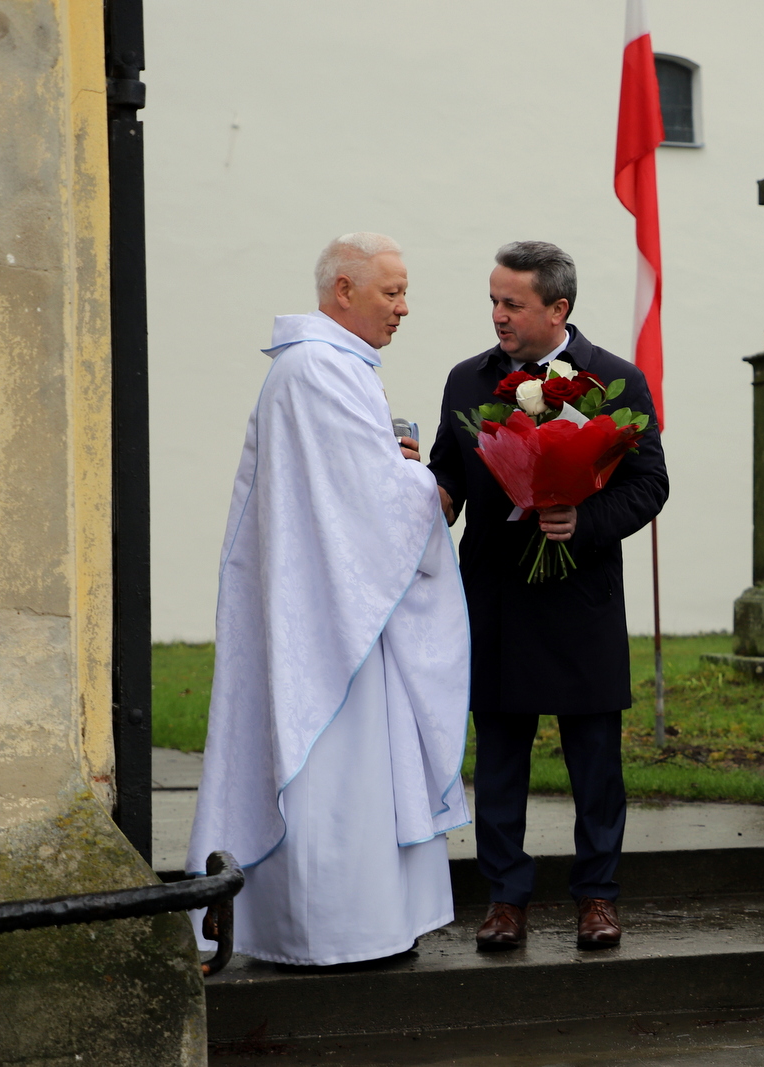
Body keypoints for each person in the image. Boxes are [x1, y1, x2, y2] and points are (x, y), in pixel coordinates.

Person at [185, 232, 470, 967]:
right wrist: (426, 487)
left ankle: (360, 924)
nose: (404, 307)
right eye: (391, 292)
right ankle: (332, 932)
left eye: (405, 292)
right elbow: (374, 502)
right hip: (326, 619)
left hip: (339, 604)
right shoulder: (319, 370)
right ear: (343, 290)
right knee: (334, 773)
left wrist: (397, 468)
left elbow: (356, 483)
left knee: (353, 776)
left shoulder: (329, 368)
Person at [427, 241, 668, 950]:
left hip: (579, 596)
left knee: (595, 758)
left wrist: (581, 520)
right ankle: (506, 898)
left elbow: (649, 483)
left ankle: (597, 895)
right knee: (500, 757)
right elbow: (451, 473)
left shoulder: (615, 380)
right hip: (497, 595)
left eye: (513, 303)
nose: (497, 315)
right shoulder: (466, 380)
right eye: (494, 301)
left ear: (558, 308)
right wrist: (418, 486)